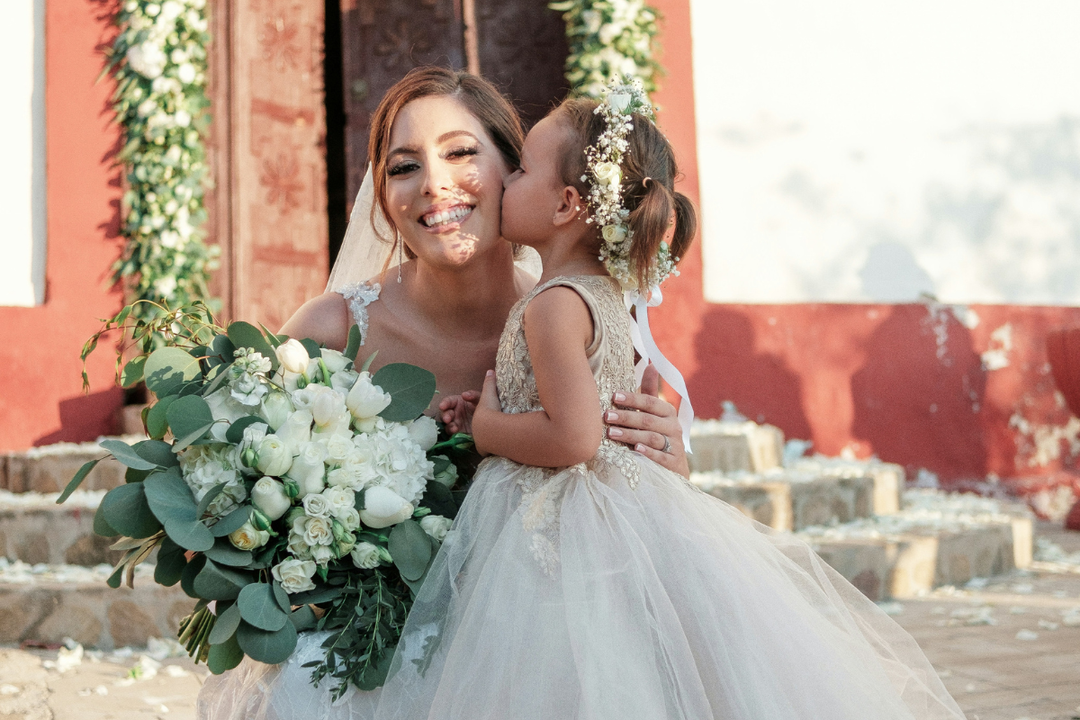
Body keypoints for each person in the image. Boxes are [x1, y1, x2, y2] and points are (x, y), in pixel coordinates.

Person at [369, 86, 967, 719]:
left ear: (569, 203)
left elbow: (573, 437)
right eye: (404, 164)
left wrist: (487, 429)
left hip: (556, 523)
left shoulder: (549, 305)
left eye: (514, 168)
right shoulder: (606, 296)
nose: (498, 183)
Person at [196, 67, 689, 719]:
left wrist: (669, 456)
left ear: (519, 174)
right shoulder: (331, 329)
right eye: (404, 166)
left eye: (461, 153)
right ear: (382, 196)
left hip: (548, 655)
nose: (434, 184)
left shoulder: (578, 316)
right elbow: (227, 489)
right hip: (380, 654)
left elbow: (636, 496)